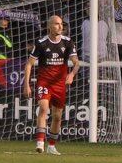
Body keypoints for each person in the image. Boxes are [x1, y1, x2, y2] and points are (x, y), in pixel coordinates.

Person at [23, 14, 80, 154]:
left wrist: (72, 75)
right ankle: (40, 143)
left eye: (61, 24)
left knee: (57, 116)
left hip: (59, 85)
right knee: (43, 108)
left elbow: (76, 63)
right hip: (45, 82)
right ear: (49, 26)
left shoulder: (68, 42)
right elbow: (29, 64)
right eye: (56, 24)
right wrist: (26, 85)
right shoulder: (41, 43)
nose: (60, 26)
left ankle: (52, 145)